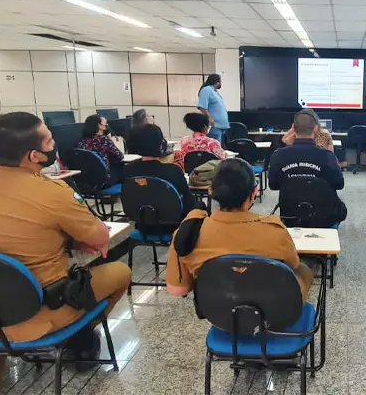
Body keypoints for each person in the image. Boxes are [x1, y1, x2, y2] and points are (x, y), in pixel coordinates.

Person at [0, 112, 131, 394]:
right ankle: (77, 338)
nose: (54, 143)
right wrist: (69, 240)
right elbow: (99, 236)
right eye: (49, 140)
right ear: (34, 156)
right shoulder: (52, 192)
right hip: (40, 315)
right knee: (120, 272)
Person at [165, 158, 313, 300]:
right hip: (271, 311)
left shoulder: (188, 233)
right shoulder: (275, 231)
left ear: (210, 191)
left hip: (217, 312)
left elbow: (177, 290)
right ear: (253, 193)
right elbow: (293, 265)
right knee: (303, 270)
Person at [269, 110, 347, 226]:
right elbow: (339, 184)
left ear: (293, 128)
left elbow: (273, 185)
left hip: (290, 216)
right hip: (324, 218)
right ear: (315, 129)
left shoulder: (278, 156)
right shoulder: (328, 156)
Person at [124, 124, 200, 216]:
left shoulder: (127, 171)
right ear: (161, 145)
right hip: (174, 221)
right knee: (200, 205)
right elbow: (189, 202)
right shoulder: (173, 171)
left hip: (140, 220)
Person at [77, 114, 124, 186]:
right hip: (103, 181)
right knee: (122, 167)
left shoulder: (81, 141)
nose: (107, 125)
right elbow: (120, 156)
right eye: (106, 123)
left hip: (87, 182)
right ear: (99, 125)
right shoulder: (104, 140)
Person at [198, 73, 229, 143]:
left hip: (221, 126)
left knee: (219, 147)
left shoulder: (214, 91)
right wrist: (210, 118)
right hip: (214, 126)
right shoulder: (206, 90)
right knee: (214, 147)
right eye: (220, 81)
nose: (221, 83)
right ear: (217, 82)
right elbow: (202, 107)